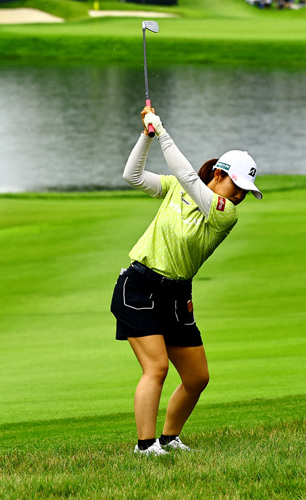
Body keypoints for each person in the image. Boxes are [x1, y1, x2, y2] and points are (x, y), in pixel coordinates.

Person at [111, 105, 262, 456]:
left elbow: (190, 180)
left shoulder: (225, 214)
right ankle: (145, 446)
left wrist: (163, 131)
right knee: (157, 367)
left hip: (178, 295)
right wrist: (147, 137)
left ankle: (169, 438)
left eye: (245, 190)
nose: (240, 194)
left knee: (197, 378)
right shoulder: (174, 188)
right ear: (220, 174)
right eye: (237, 185)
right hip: (139, 287)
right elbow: (132, 176)